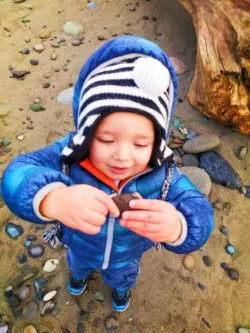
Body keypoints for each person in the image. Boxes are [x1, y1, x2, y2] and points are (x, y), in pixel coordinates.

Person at [1, 35, 214, 312]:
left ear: (157, 142)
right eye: (105, 139)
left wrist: (177, 226)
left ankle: (121, 292)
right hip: (80, 243)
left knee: (123, 276)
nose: (122, 156)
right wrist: (52, 199)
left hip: (128, 254)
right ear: (87, 132)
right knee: (77, 263)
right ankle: (78, 277)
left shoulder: (164, 174)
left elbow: (201, 212)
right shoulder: (69, 155)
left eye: (140, 144)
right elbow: (15, 176)